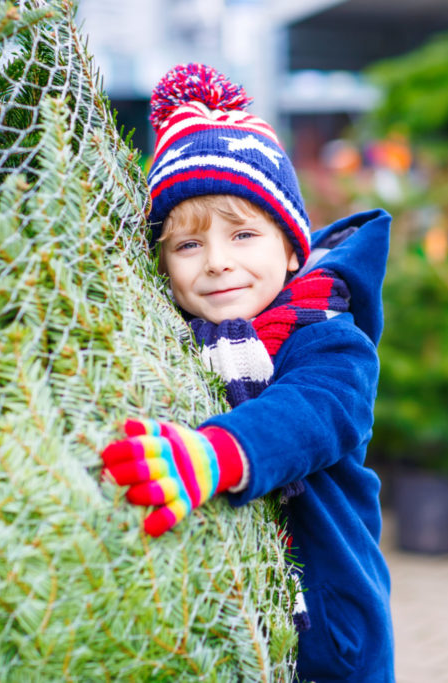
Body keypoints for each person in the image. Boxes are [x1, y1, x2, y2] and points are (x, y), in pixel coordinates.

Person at [100, 63, 394, 682]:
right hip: (219, 629)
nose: (217, 263)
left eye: (242, 235)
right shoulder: (169, 341)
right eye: (188, 245)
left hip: (326, 639)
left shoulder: (329, 340)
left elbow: (311, 414)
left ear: (291, 248)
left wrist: (214, 455)